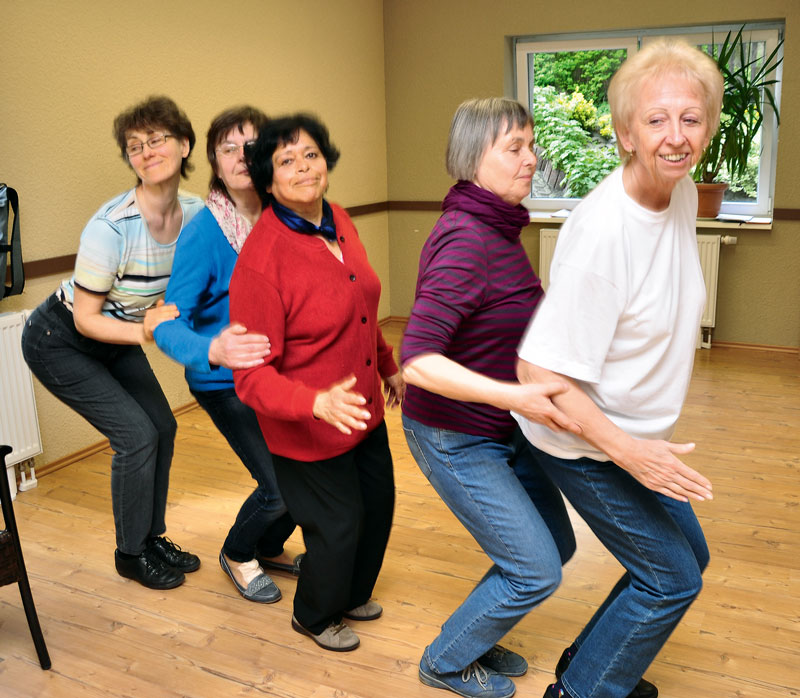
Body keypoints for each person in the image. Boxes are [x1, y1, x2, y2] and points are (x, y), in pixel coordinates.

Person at [514, 39, 722, 698]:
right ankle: (581, 692)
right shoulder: (603, 234)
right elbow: (537, 378)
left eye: (690, 118)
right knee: (671, 577)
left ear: (709, 127)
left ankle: (591, 666)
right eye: (656, 120)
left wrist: (642, 447)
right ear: (625, 132)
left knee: (689, 561)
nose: (675, 136)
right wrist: (632, 454)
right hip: (581, 439)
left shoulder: (680, 193)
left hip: (634, 435)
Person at [401, 97, 581, 698]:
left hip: (500, 426)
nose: (531, 158)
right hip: (455, 435)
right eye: (515, 148)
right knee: (534, 568)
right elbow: (418, 360)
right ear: (473, 158)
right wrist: (516, 396)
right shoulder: (468, 239)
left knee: (554, 544)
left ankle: (477, 630)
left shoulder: (498, 227)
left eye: (531, 144)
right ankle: (446, 661)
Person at [228, 113, 404, 652]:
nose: (303, 167)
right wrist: (315, 402)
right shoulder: (262, 260)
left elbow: (360, 308)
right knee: (338, 525)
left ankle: (349, 594)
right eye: (286, 161)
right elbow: (250, 377)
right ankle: (313, 614)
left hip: (362, 410)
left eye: (311, 154)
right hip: (307, 427)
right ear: (268, 180)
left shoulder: (341, 220)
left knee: (377, 509)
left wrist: (388, 365)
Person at [21, 96, 204, 590]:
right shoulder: (110, 228)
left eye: (158, 139)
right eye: (135, 146)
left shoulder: (196, 213)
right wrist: (148, 330)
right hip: (59, 339)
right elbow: (85, 319)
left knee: (163, 427)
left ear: (185, 145)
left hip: (115, 333)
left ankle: (151, 536)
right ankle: (130, 554)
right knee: (135, 436)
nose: (147, 151)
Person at [153, 106, 301, 604]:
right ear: (215, 163)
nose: (243, 157)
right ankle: (238, 553)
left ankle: (267, 545)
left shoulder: (283, 218)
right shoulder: (204, 232)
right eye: (229, 148)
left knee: (307, 473)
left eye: (254, 147)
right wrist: (212, 348)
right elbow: (169, 322)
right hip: (225, 382)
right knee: (279, 486)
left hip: (277, 375)